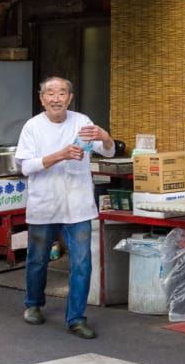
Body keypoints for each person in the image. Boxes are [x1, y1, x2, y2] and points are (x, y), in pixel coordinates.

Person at [15, 76, 121, 339]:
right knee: (37, 259)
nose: (56, 98)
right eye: (50, 93)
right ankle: (34, 304)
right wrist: (60, 155)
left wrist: (105, 137)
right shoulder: (32, 127)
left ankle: (76, 317)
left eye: (61, 93)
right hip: (45, 203)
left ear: (70, 98)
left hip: (78, 204)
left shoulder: (81, 121)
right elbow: (25, 166)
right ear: (41, 99)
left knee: (82, 263)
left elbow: (108, 152)